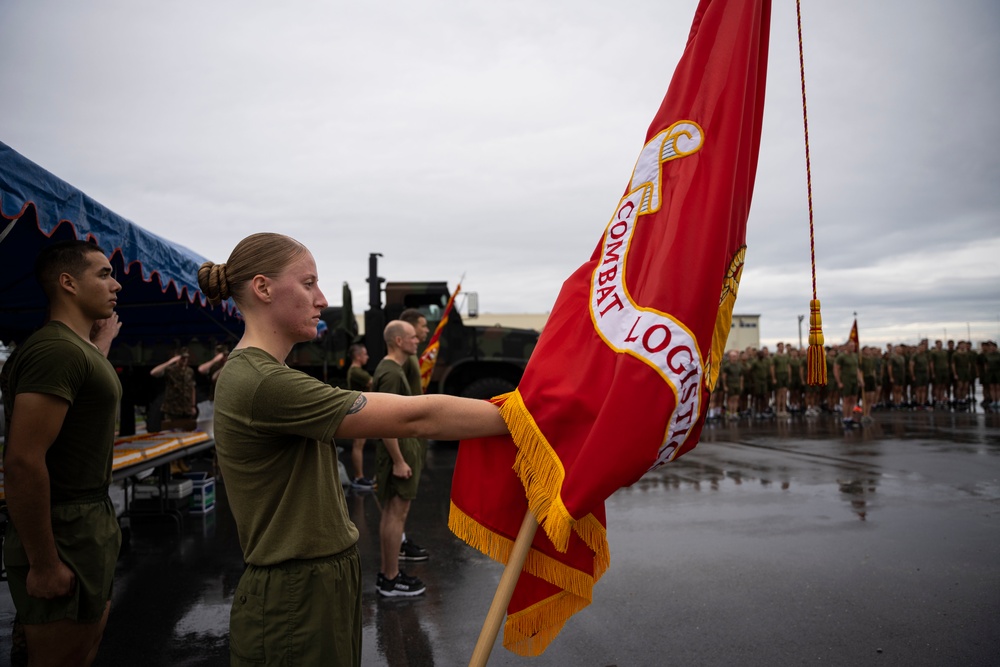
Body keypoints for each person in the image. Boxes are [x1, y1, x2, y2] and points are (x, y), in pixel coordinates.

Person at [197, 233, 508, 666]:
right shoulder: (262, 381)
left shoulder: (266, 373)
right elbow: (413, 418)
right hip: (296, 595)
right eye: (308, 283)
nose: (322, 299)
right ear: (263, 288)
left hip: (313, 585)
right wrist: (521, 417)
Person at [3, 240, 123, 666]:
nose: (117, 285)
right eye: (104, 274)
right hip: (65, 529)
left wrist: (99, 345)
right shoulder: (55, 351)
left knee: (83, 651)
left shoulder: (73, 349)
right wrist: (44, 563)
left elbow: (85, 389)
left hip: (85, 526)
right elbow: (22, 462)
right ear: (68, 283)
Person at [372, 319, 432, 597]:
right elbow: (384, 422)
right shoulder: (392, 374)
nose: (417, 340)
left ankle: (389, 574)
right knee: (396, 515)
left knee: (392, 514)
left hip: (401, 454)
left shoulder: (391, 370)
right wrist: (399, 460)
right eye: (411, 337)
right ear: (398, 341)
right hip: (398, 456)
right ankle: (391, 577)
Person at [345, 343, 375, 489]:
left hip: (358, 411)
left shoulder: (354, 371)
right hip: (359, 412)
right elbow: (373, 383)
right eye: (365, 354)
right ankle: (358, 477)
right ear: (358, 356)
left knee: (359, 445)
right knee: (358, 445)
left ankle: (359, 477)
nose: (367, 357)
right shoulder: (357, 372)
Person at [150, 346, 197, 430]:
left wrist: (193, 406)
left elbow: (192, 388)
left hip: (186, 408)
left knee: (187, 431)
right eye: (182, 358)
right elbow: (154, 372)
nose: (185, 360)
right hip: (172, 408)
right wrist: (170, 362)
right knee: (171, 430)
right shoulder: (170, 370)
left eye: (186, 358)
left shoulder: (190, 371)